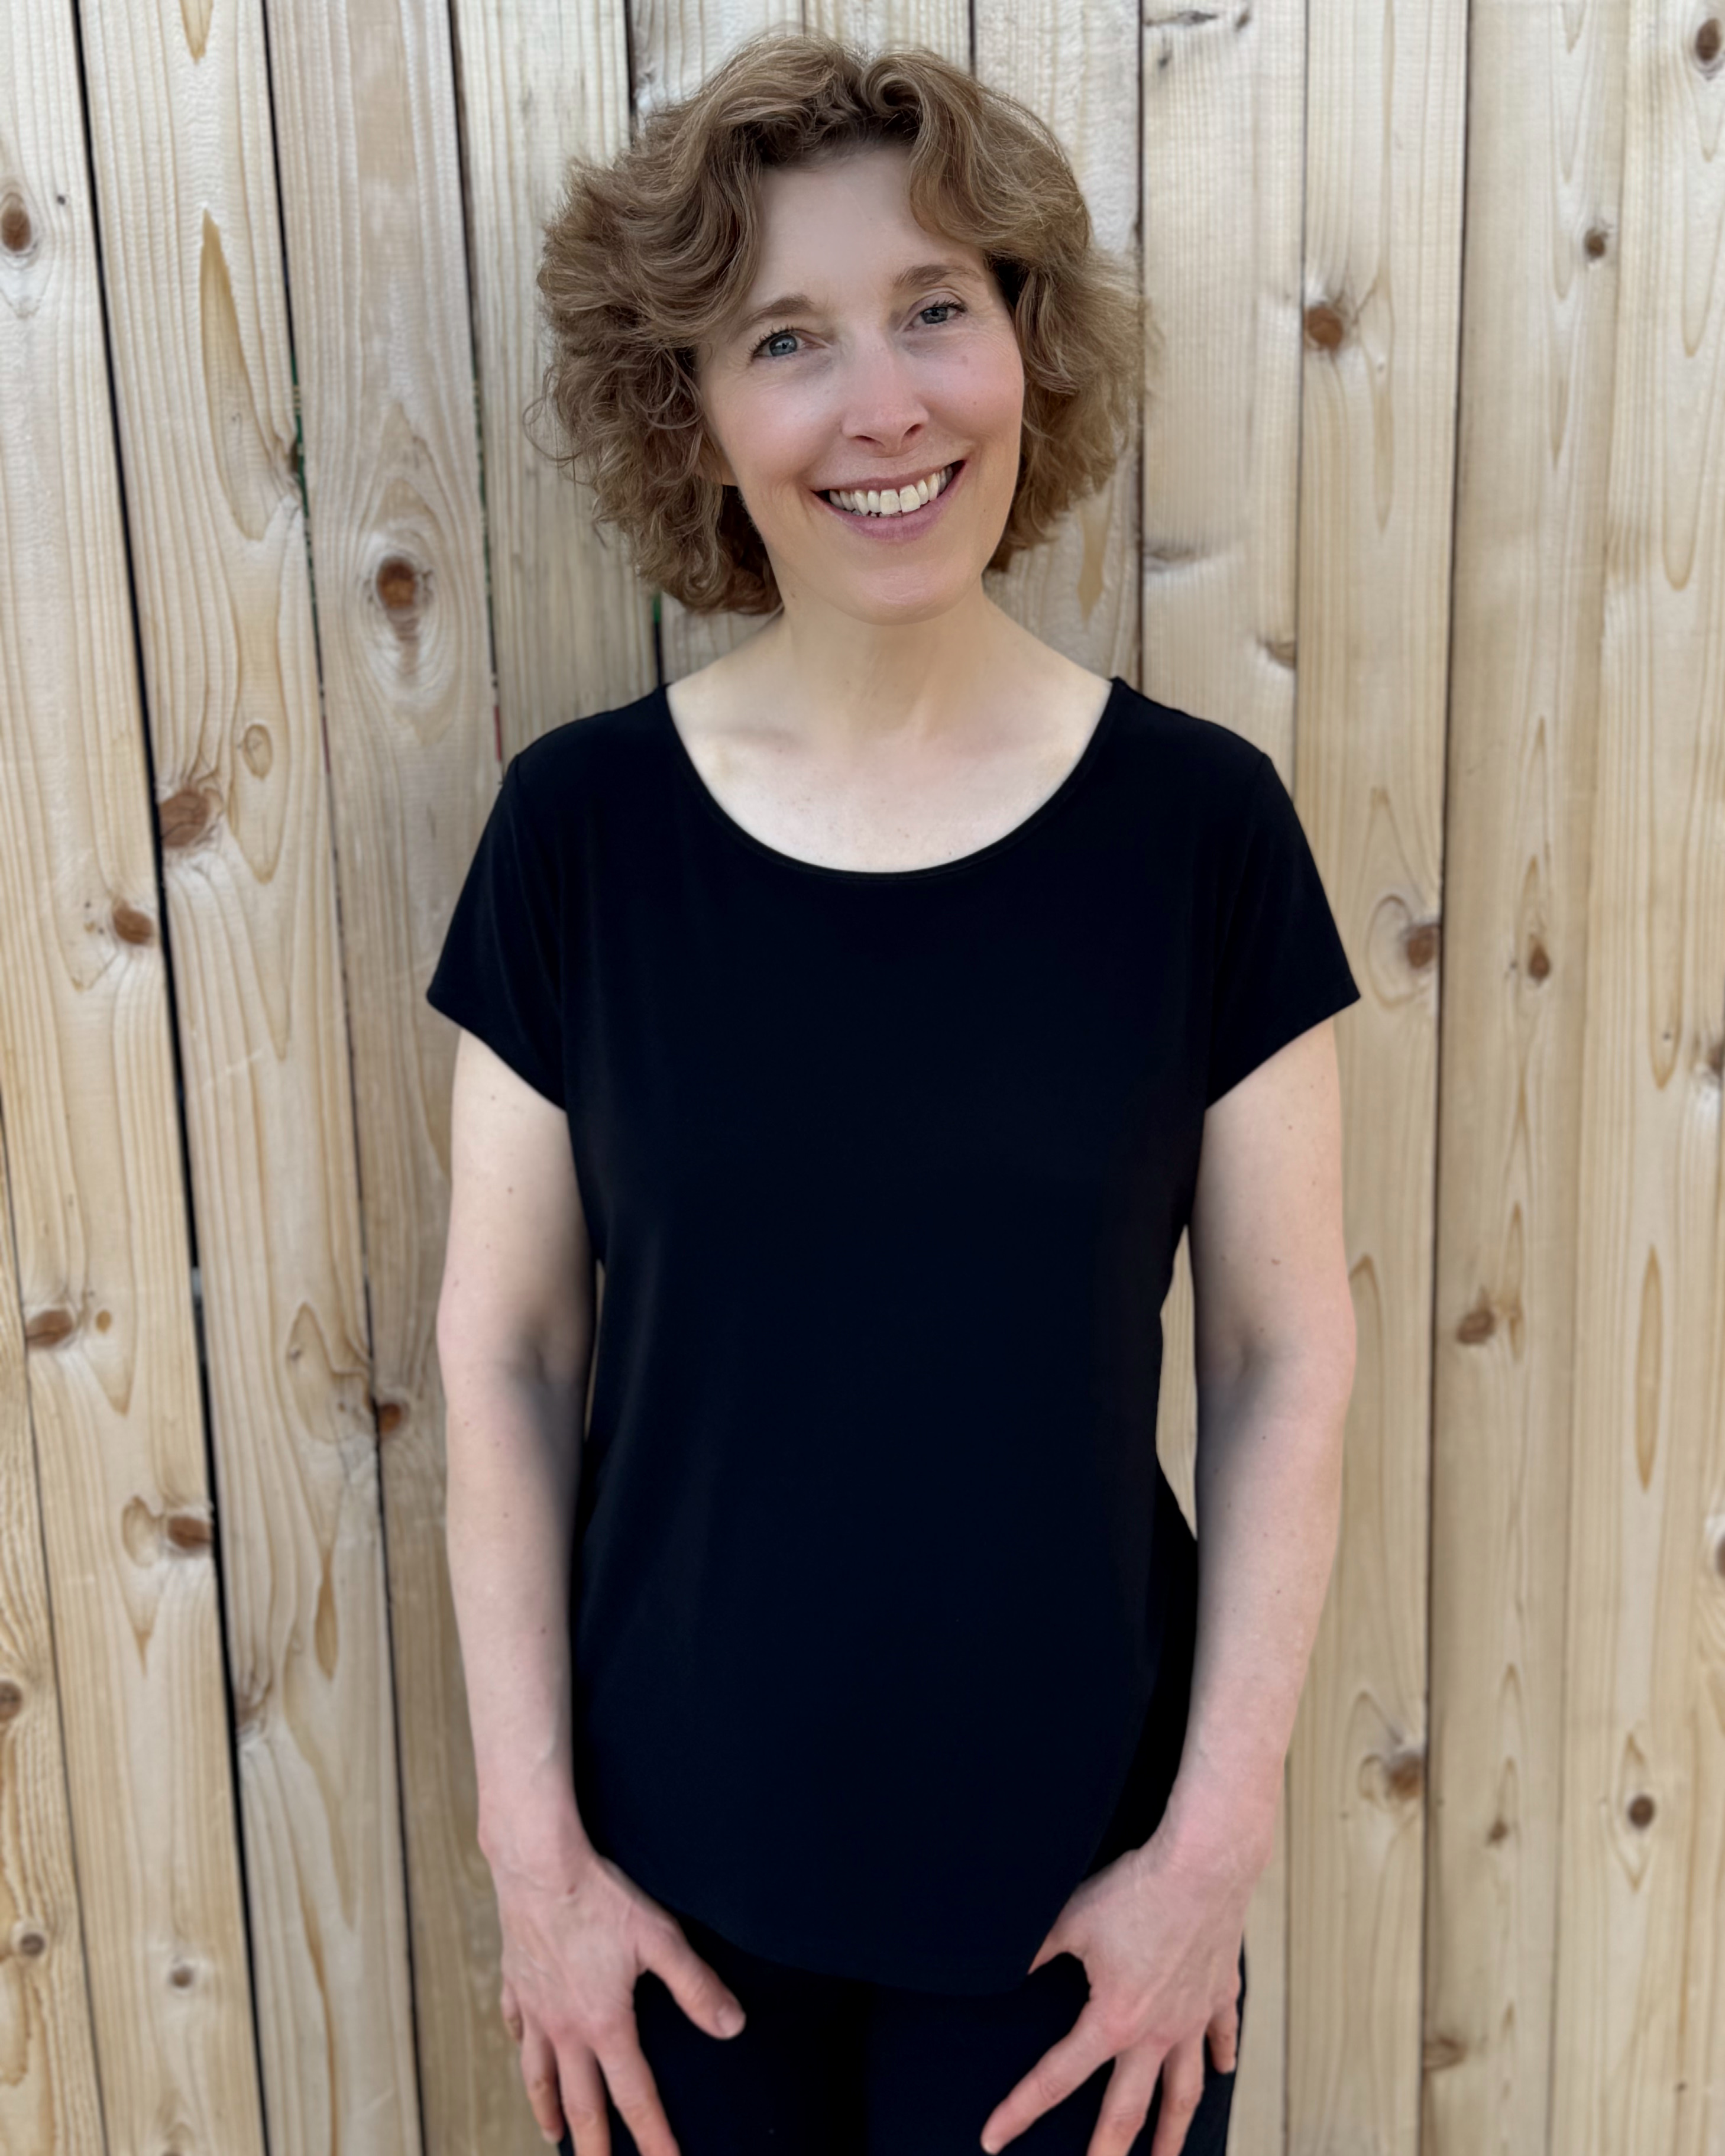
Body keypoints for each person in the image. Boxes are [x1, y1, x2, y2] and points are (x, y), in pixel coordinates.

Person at [426, 30, 1359, 2156]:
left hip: (1084, 1920)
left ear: (1028, 339)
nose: (884, 405)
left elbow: (1285, 1352)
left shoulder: (1204, 836)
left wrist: (1210, 1859)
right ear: (693, 410)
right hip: (662, 1916)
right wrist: (534, 1860)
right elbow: (504, 1351)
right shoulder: (577, 839)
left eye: (935, 306)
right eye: (789, 339)